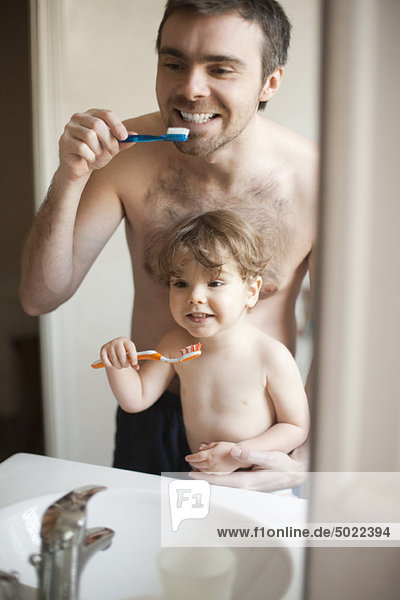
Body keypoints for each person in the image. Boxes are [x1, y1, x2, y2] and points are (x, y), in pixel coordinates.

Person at [19, 0, 318, 487]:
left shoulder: (318, 181)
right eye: (174, 63)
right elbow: (39, 297)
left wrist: (301, 458)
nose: (190, 89)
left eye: (221, 68)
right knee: (150, 558)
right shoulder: (123, 156)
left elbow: (348, 340)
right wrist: (70, 177)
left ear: (270, 82)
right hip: (150, 414)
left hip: (259, 430)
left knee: (249, 563)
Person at [98, 210, 310, 474]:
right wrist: (117, 363)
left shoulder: (270, 355)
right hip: (203, 475)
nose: (195, 296)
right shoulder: (175, 344)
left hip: (257, 479)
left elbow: (295, 427)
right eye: (181, 283)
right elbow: (136, 399)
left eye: (215, 282)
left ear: (251, 291)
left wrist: (239, 455)